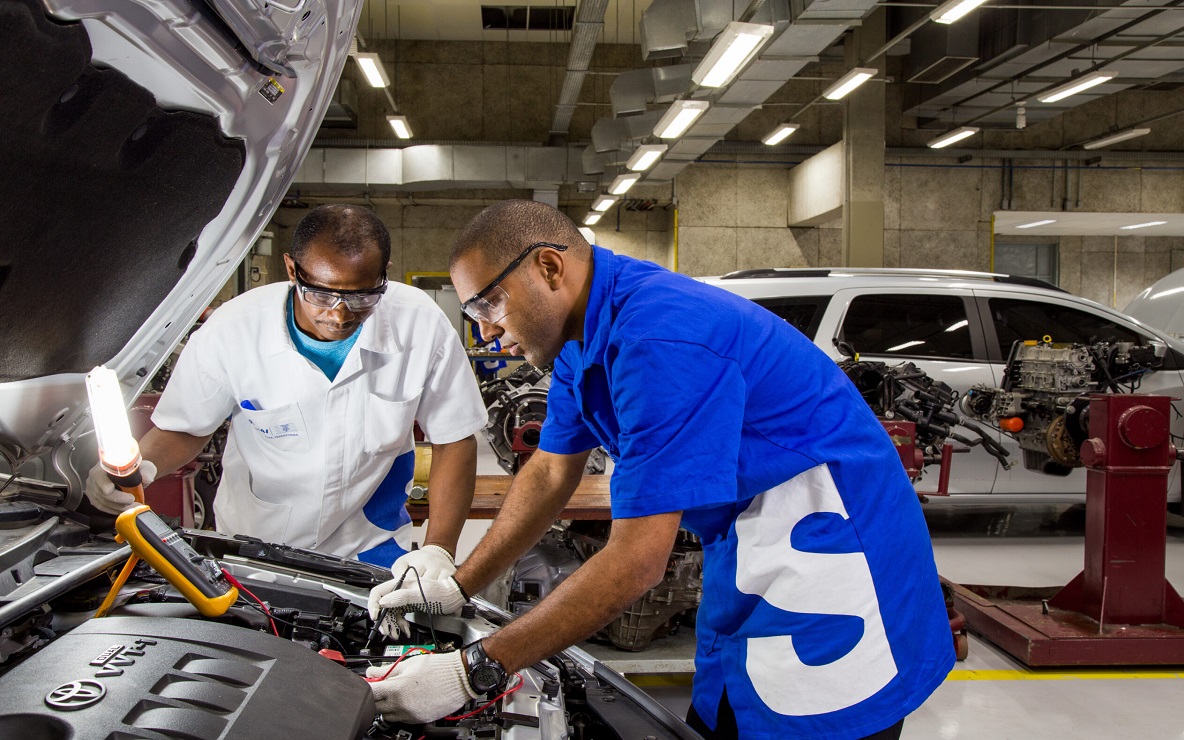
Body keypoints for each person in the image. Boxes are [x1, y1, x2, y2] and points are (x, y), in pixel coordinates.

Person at [365, 200, 953, 739]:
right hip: (749, 540)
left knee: (809, 720)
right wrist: (456, 583)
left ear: (548, 267)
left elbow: (637, 561)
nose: (485, 331)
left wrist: (477, 669)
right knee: (726, 712)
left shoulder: (659, 339)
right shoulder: (581, 338)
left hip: (835, 548)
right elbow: (548, 473)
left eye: (488, 305)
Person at [85, 204, 486, 577]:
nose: (340, 313)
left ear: (385, 275)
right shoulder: (233, 330)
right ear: (292, 271)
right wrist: (144, 466)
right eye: (322, 293)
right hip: (255, 546)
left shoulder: (421, 325)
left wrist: (439, 552)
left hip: (371, 544)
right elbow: (187, 427)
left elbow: (455, 440)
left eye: (363, 296)